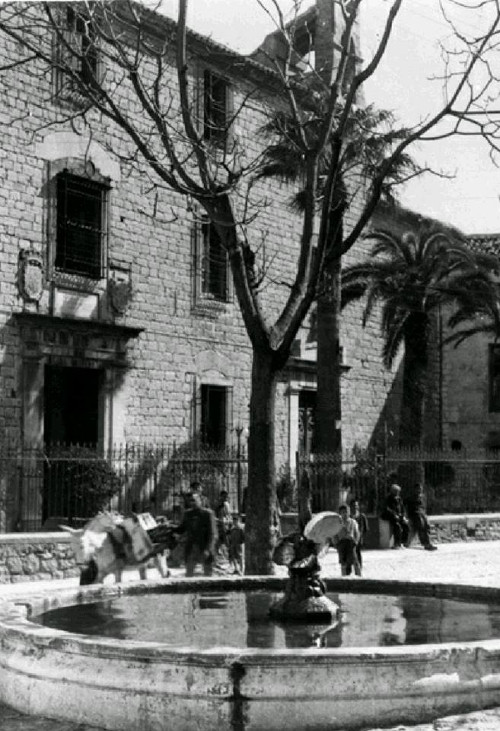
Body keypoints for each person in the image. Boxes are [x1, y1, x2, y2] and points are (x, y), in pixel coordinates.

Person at [173, 492, 217, 576]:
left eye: (194, 500)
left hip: (204, 547)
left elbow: (213, 534)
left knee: (208, 574)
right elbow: (181, 529)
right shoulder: (188, 514)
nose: (192, 503)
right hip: (191, 548)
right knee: (189, 573)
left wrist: (208, 549)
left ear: (200, 501)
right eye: (190, 501)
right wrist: (169, 528)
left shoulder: (208, 514)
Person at [405, 483, 437, 551]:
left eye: (420, 489)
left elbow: (423, 507)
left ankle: (428, 542)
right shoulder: (410, 498)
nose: (419, 490)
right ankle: (426, 544)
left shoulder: (422, 497)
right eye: (418, 489)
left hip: (422, 514)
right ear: (414, 489)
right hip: (415, 514)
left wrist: (424, 514)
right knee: (421, 526)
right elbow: (407, 508)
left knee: (427, 526)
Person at [332, 504, 361, 576]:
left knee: (354, 560)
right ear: (340, 513)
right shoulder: (337, 523)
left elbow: (357, 533)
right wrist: (336, 543)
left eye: (346, 512)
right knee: (343, 561)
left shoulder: (353, 522)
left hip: (351, 543)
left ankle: (359, 575)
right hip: (341, 544)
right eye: (343, 512)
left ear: (349, 512)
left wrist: (356, 541)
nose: (345, 514)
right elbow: (334, 534)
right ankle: (344, 576)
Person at [381, 483, 409, 549]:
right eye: (396, 491)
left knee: (406, 526)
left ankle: (403, 542)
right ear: (392, 491)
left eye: (398, 491)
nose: (397, 493)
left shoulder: (399, 499)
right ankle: (396, 543)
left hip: (398, 516)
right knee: (397, 526)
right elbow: (387, 509)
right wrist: (395, 515)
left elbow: (403, 508)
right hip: (390, 516)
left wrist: (403, 516)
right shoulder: (388, 498)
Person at [350, 498, 369, 569]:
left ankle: (359, 566)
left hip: (358, 538)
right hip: (350, 537)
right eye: (353, 505)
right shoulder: (348, 517)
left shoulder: (362, 516)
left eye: (356, 505)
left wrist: (361, 536)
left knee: (357, 552)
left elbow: (365, 528)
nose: (355, 507)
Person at [215, 490, 232, 555]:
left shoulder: (227, 504)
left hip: (226, 524)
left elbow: (229, 514)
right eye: (224, 496)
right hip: (220, 523)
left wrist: (230, 521)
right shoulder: (218, 504)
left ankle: (230, 553)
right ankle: (216, 553)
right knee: (220, 539)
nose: (225, 498)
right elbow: (216, 513)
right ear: (220, 496)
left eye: (226, 497)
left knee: (226, 539)